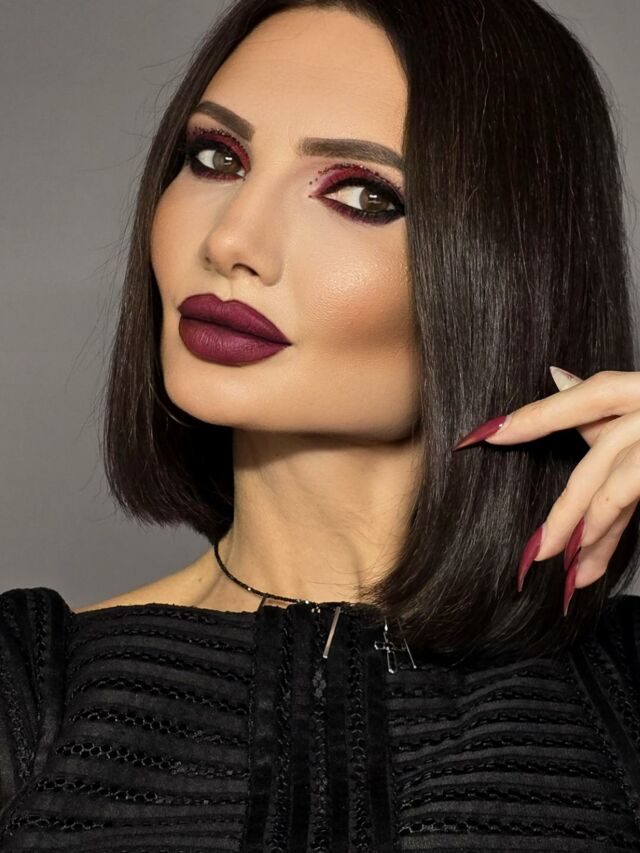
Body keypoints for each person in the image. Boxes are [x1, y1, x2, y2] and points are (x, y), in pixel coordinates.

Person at [1, 0, 640, 849]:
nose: (232, 240)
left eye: (362, 195)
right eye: (216, 157)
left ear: (508, 269)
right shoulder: (28, 683)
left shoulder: (623, 689)